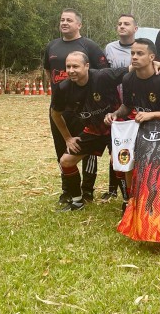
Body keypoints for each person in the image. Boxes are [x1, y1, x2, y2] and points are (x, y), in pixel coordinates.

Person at [104, 38, 160, 212]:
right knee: (121, 158)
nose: (134, 57)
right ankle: (130, 200)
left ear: (151, 57)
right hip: (138, 128)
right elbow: (127, 106)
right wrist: (115, 114)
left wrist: (152, 115)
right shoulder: (128, 78)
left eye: (140, 53)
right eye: (132, 53)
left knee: (158, 168)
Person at [44, 8, 109, 205]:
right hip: (62, 106)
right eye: (62, 19)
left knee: (86, 147)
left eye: (69, 20)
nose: (64, 23)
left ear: (78, 24)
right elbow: (49, 72)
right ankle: (68, 191)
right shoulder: (52, 46)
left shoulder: (89, 45)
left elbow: (103, 73)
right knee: (63, 147)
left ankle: (87, 190)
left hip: (85, 108)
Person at [50, 51, 129, 211]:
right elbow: (55, 114)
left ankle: (129, 204)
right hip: (93, 130)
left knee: (118, 162)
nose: (71, 70)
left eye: (75, 66)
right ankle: (77, 201)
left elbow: (131, 67)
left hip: (116, 127)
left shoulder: (103, 76)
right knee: (66, 161)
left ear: (87, 66)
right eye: (68, 67)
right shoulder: (63, 88)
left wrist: (155, 63)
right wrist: (68, 138)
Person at [101, 14, 138, 202]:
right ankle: (112, 190)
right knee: (116, 148)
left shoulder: (141, 48)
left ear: (135, 29)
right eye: (119, 24)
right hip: (117, 104)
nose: (122, 26)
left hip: (136, 105)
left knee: (132, 149)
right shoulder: (109, 48)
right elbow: (106, 76)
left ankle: (132, 194)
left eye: (126, 24)